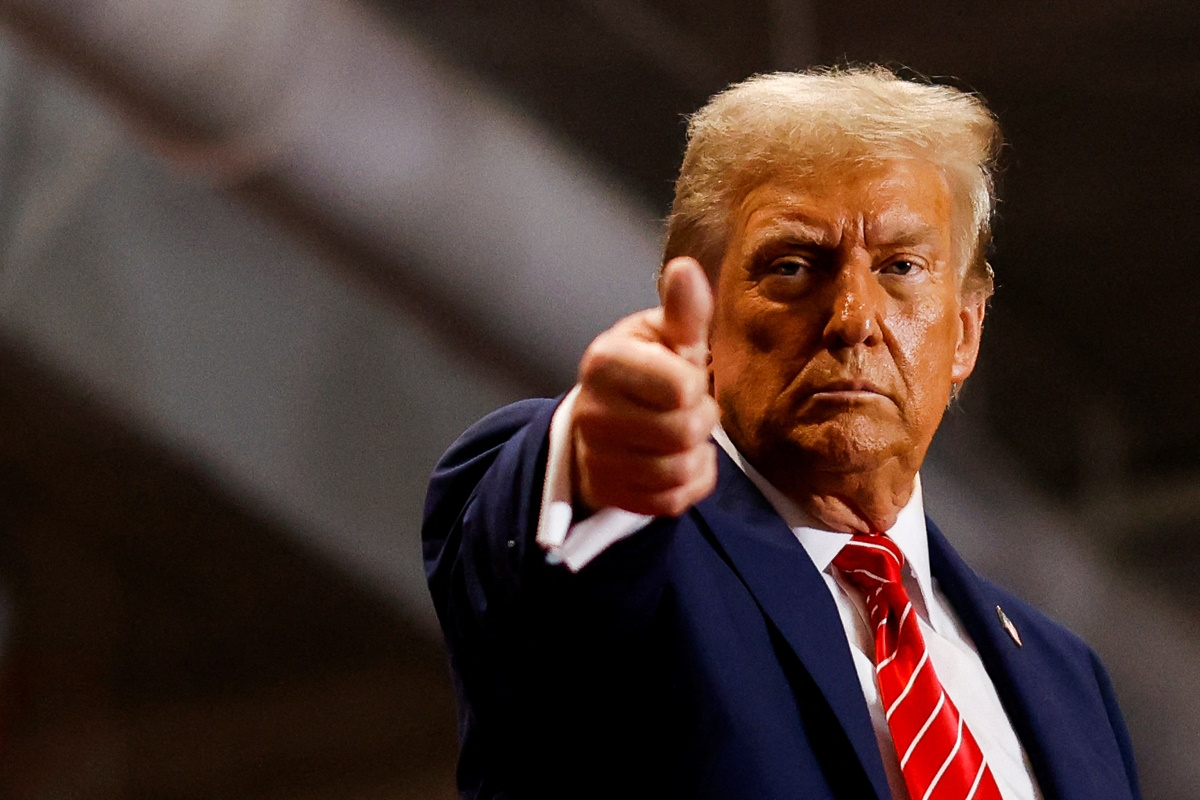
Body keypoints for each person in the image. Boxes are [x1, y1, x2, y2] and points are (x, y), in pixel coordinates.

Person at [423, 67, 1141, 800]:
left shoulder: (1067, 681)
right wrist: (589, 460)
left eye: (900, 266)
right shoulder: (639, 548)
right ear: (700, 315)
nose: (854, 318)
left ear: (963, 330)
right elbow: (535, 568)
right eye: (793, 266)